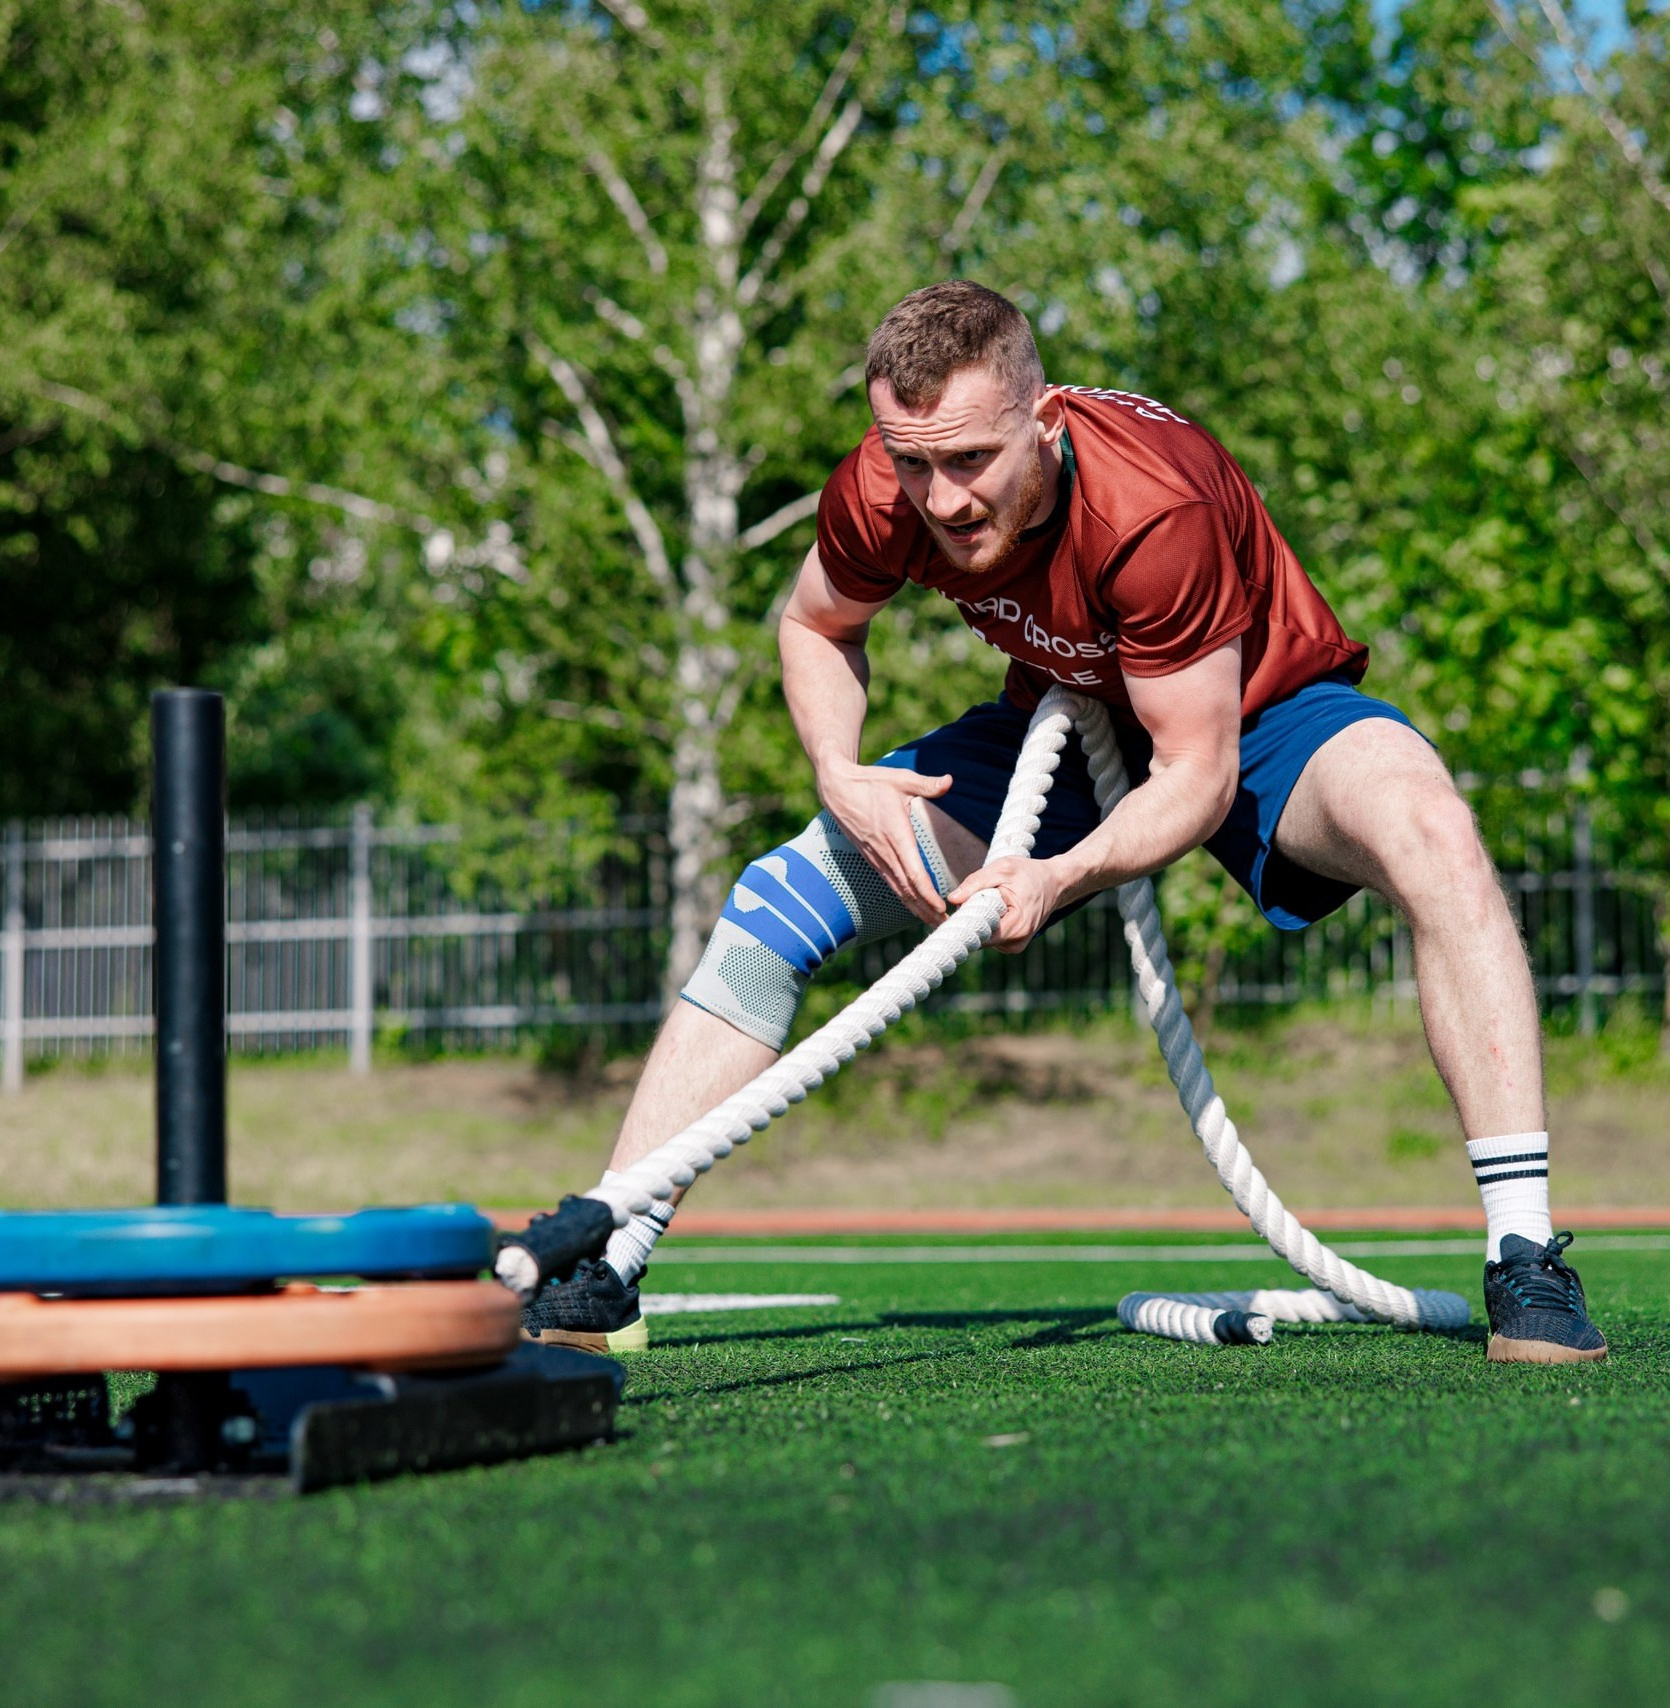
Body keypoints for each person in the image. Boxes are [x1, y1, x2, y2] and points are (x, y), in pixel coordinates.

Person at [524, 281, 1606, 1365]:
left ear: (1042, 424)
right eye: (912, 461)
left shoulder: (1150, 510)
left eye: (970, 462)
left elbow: (1195, 772)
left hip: (1256, 712)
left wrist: (1054, 877)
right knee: (776, 898)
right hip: (1065, 709)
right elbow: (814, 623)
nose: (939, 500)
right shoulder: (882, 486)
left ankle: (1525, 1257)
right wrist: (838, 772)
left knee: (1433, 833)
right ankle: (607, 1263)